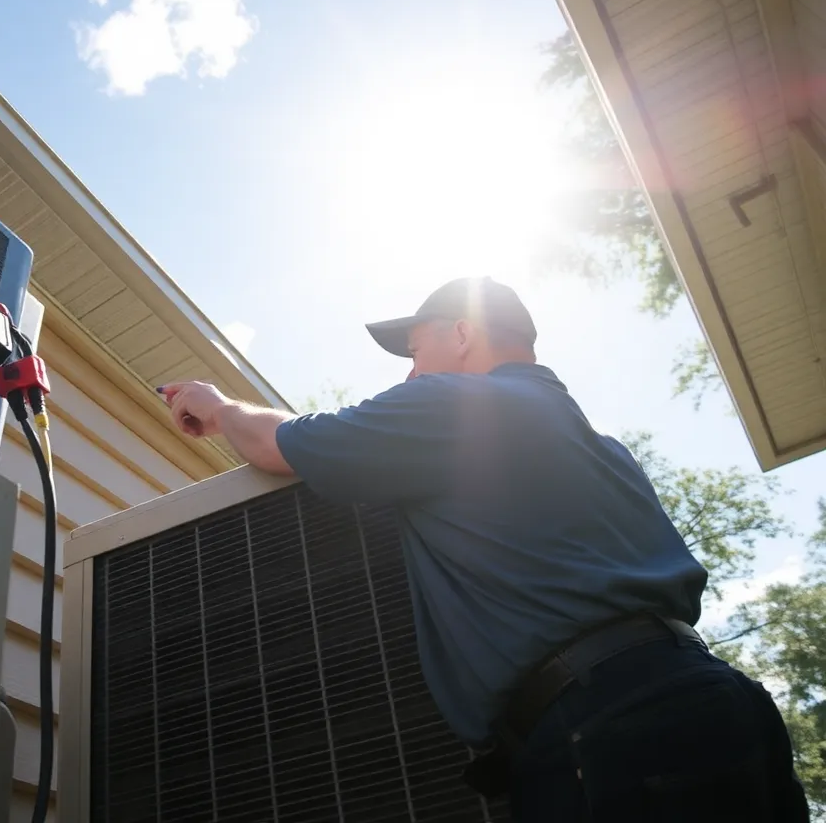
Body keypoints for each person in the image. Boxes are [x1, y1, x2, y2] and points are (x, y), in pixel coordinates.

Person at [158, 276, 810, 822]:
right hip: (725, 704)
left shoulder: (457, 404)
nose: (411, 371)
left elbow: (281, 445)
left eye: (415, 350)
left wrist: (217, 407)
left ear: (463, 334)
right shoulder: (603, 449)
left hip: (610, 729)